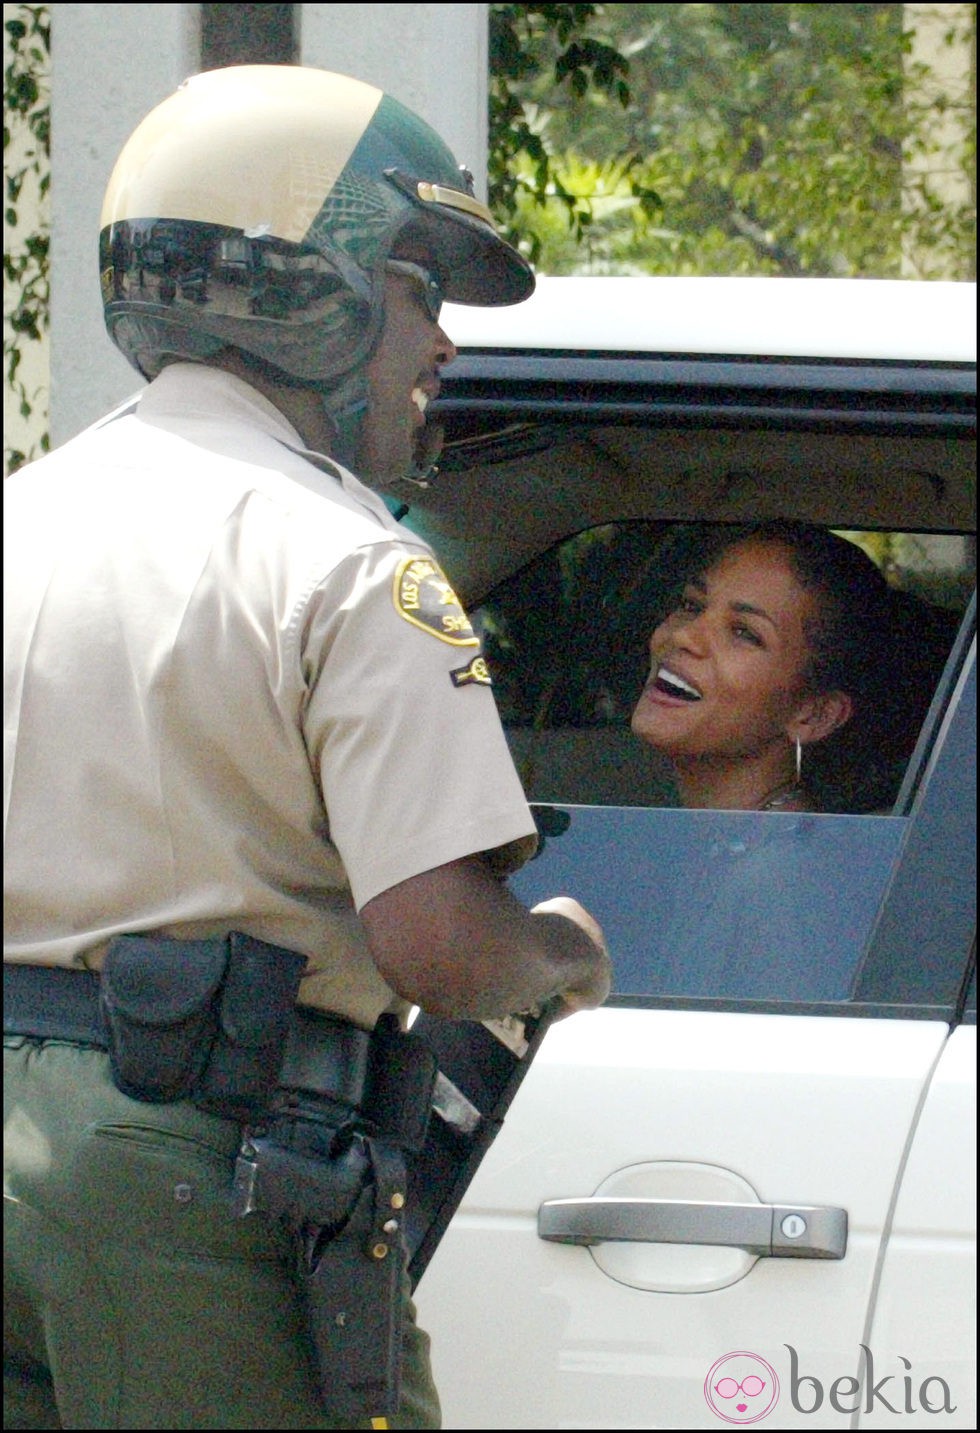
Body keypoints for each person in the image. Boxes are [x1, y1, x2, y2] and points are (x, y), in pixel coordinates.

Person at [3, 66, 610, 1431]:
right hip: (183, 1178)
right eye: (417, 291)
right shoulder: (350, 565)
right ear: (312, 281)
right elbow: (440, 947)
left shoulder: (24, 516)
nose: (441, 344)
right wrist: (561, 953)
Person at [630, 519, 921, 814]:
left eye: (744, 633)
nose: (683, 635)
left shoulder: (803, 859)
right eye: (692, 606)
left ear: (813, 715)